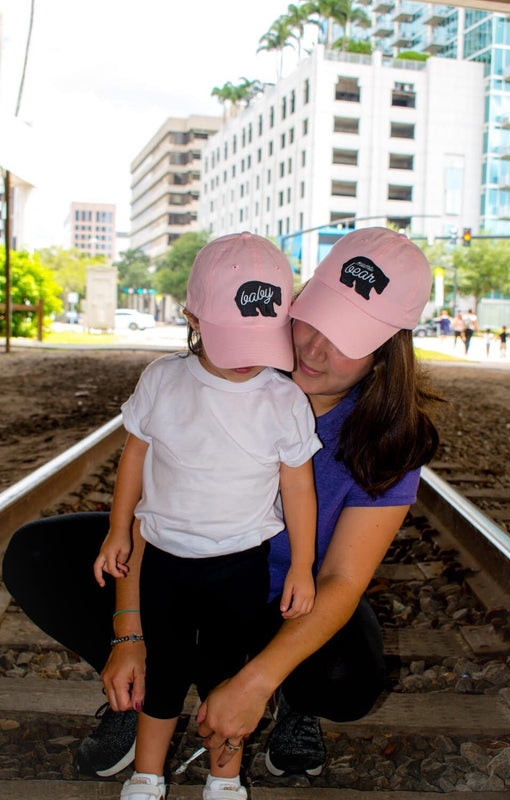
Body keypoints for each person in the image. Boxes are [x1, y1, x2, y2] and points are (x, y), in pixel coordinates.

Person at [2, 228, 440, 789]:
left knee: (347, 674)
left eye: (348, 337)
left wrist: (258, 680)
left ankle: (286, 699)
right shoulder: (231, 359)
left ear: (387, 351)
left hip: (279, 598)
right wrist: (128, 634)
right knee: (35, 554)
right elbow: (151, 511)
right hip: (174, 563)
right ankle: (137, 692)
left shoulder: (392, 440)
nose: (312, 348)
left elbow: (342, 578)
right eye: (313, 317)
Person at [95, 232, 321, 800]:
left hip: (240, 563)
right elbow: (135, 455)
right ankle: (147, 775)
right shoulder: (162, 380)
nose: (249, 357)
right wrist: (118, 530)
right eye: (233, 339)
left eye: (261, 339)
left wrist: (303, 566)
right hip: (165, 561)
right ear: (193, 316)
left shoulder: (283, 398)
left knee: (227, 673)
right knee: (164, 672)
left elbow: (298, 485)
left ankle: (224, 779)